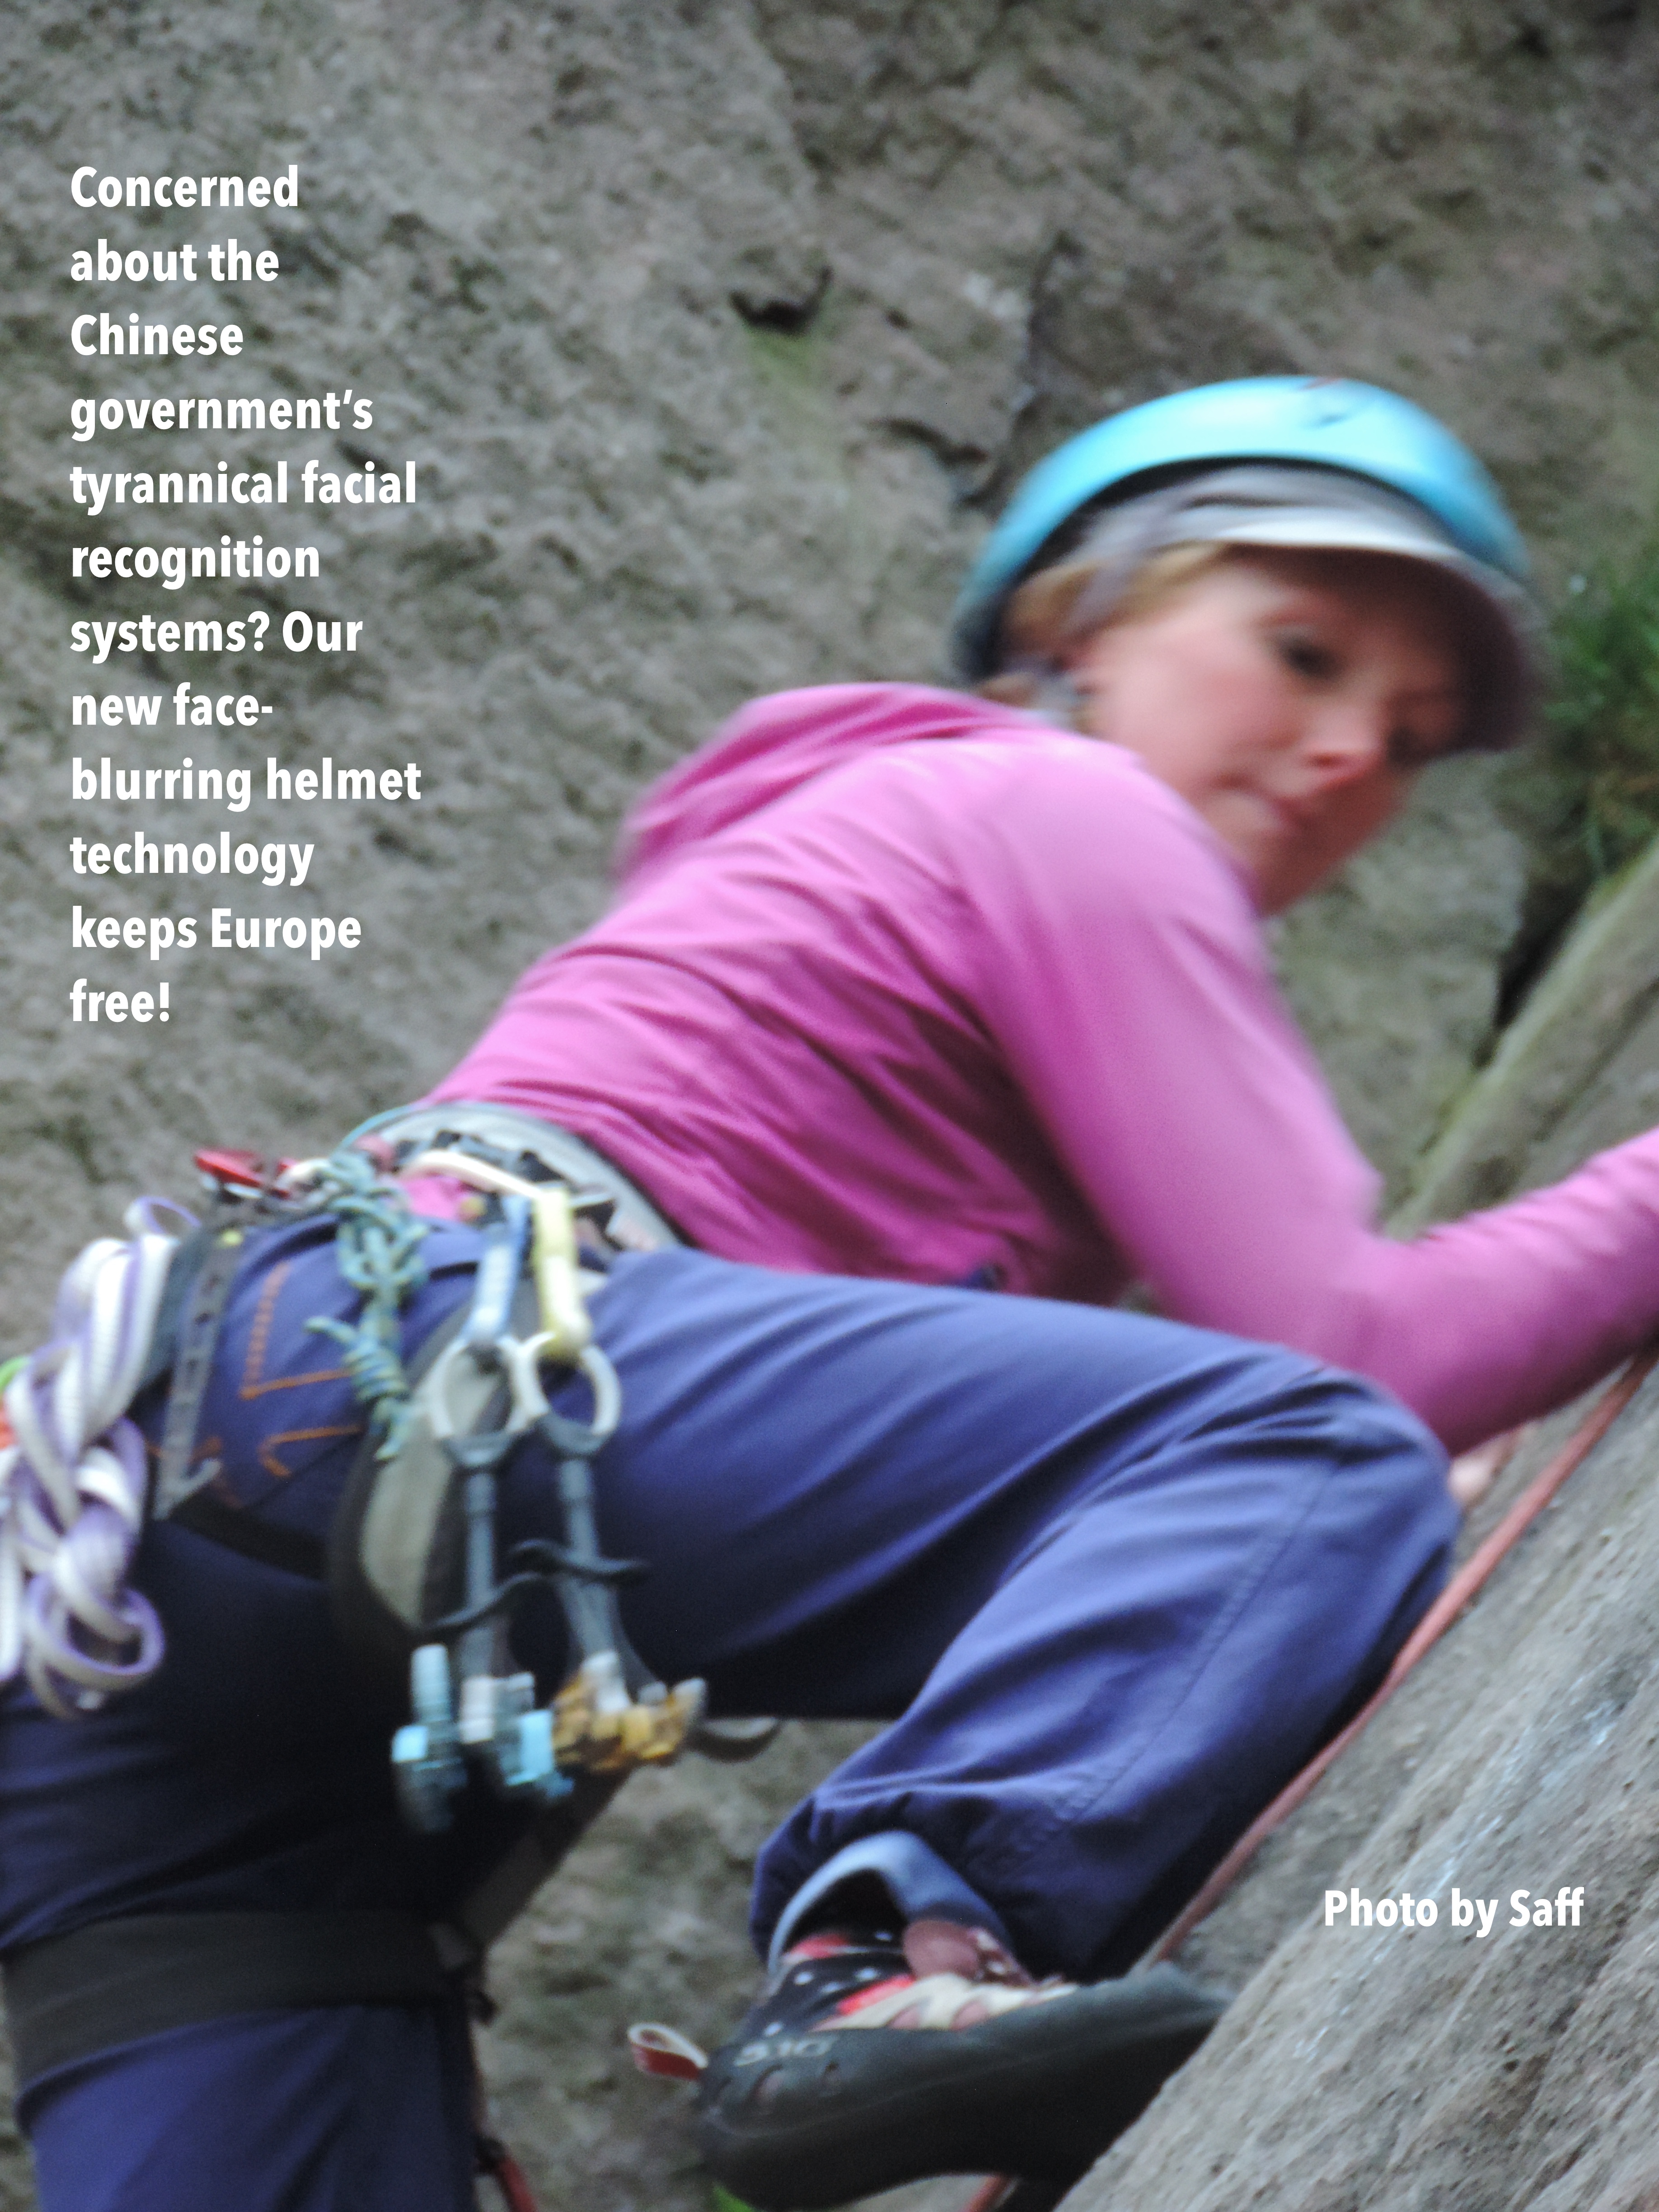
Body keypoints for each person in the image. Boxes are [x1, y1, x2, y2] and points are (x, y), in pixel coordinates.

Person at [5, 376, 1659, 2212]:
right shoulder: (1059, 806)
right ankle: (891, 1960)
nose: (1352, 749)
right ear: (1083, 622)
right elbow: (1346, 1358)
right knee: (1305, 1452)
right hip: (421, 1379)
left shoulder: (844, 838)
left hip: (136, 1600)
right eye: (1303, 651)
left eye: (1413, 741)